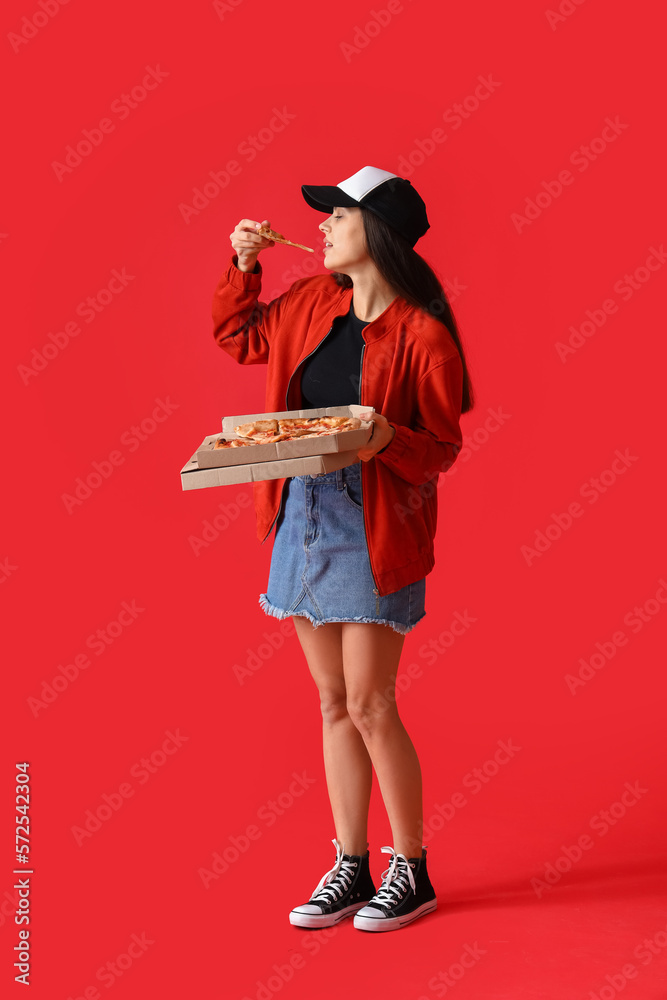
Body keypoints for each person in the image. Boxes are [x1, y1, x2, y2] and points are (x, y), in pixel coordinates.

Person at [212, 165, 475, 932]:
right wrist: (241, 267)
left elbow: (440, 450)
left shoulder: (423, 333)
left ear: (377, 234)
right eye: (323, 216)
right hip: (301, 513)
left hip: (376, 520)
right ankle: (351, 867)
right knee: (330, 702)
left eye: (338, 215)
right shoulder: (306, 302)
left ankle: (412, 871)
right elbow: (238, 338)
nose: (323, 226)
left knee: (369, 703)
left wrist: (384, 435)